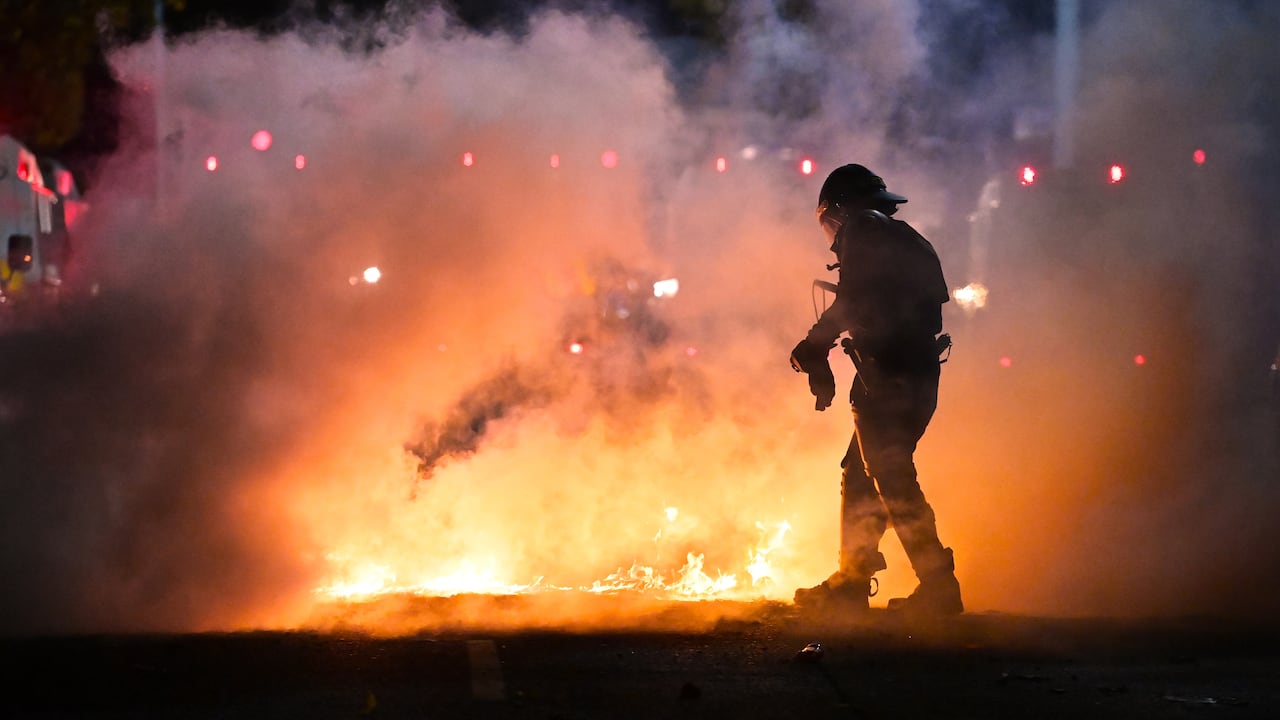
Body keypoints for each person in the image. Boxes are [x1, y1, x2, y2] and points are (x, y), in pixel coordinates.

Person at [789, 163, 962, 616]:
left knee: (890, 476)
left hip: (888, 378)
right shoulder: (906, 238)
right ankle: (852, 579)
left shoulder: (864, 227)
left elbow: (853, 301)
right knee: (862, 471)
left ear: (841, 211)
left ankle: (938, 585)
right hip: (914, 376)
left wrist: (813, 348)